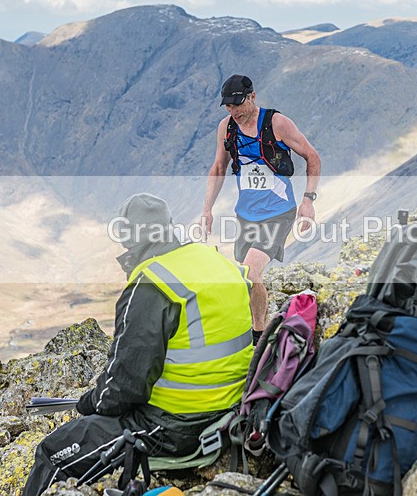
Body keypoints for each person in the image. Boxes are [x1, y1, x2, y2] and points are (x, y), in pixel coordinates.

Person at [23, 193, 254, 496]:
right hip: (233, 413)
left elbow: (124, 387)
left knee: (53, 451)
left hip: (175, 427)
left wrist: (90, 403)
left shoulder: (152, 284)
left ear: (131, 239)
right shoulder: (215, 260)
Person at [201, 74, 321, 340]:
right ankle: (255, 330)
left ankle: (256, 337)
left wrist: (308, 200)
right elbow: (219, 167)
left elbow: (312, 156)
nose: (234, 112)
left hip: (278, 213)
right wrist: (207, 209)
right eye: (228, 106)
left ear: (252, 97)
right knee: (247, 279)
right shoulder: (226, 127)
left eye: (238, 104)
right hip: (245, 214)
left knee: (249, 273)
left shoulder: (277, 123)